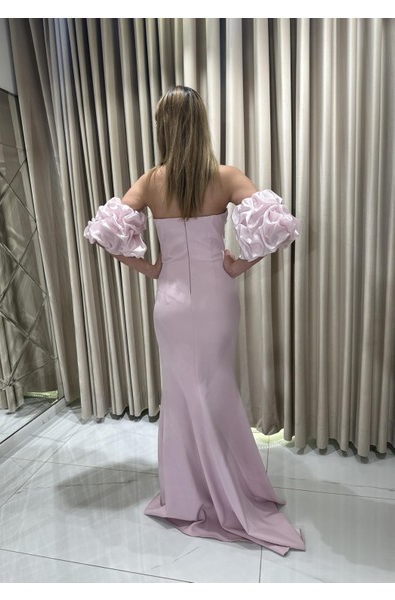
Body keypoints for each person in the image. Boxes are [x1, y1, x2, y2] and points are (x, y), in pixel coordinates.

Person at [84, 85, 304, 556]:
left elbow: (104, 233)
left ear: (163, 127)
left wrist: (150, 268)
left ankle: (188, 492)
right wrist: (239, 264)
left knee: (184, 394)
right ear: (202, 124)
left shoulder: (150, 181)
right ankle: (226, 486)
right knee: (215, 389)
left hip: (171, 302)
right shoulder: (225, 177)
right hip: (216, 300)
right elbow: (279, 224)